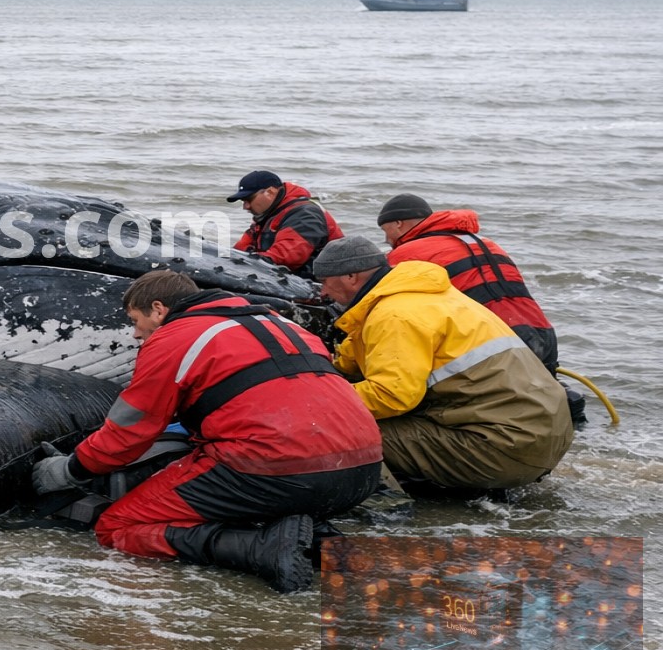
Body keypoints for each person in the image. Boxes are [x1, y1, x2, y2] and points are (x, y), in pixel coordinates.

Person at [31, 270, 382, 593]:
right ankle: (321, 543)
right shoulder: (282, 324)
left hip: (278, 468)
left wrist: (70, 469)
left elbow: (130, 432)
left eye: (136, 322)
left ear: (158, 309)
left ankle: (258, 549)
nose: (137, 334)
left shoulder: (174, 338)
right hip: (361, 472)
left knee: (118, 527)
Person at [311, 235, 572, 494]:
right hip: (543, 438)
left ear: (351, 277)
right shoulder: (423, 296)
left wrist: (318, 402)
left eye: (324, 281)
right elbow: (363, 348)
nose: (322, 292)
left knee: (349, 429)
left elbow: (391, 396)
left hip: (506, 450)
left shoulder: (394, 315)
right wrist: (336, 367)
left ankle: (387, 509)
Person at [376, 193, 558, 372]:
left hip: (494, 343)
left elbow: (377, 302)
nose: (386, 239)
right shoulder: (486, 243)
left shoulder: (407, 253)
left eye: (385, 231)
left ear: (398, 224)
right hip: (543, 335)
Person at [226, 170, 343, 278]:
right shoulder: (266, 216)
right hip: (289, 279)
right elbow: (239, 249)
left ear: (270, 192)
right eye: (243, 201)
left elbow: (285, 258)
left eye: (249, 199)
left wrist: (246, 260)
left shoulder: (304, 214)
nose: (245, 206)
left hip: (325, 285)